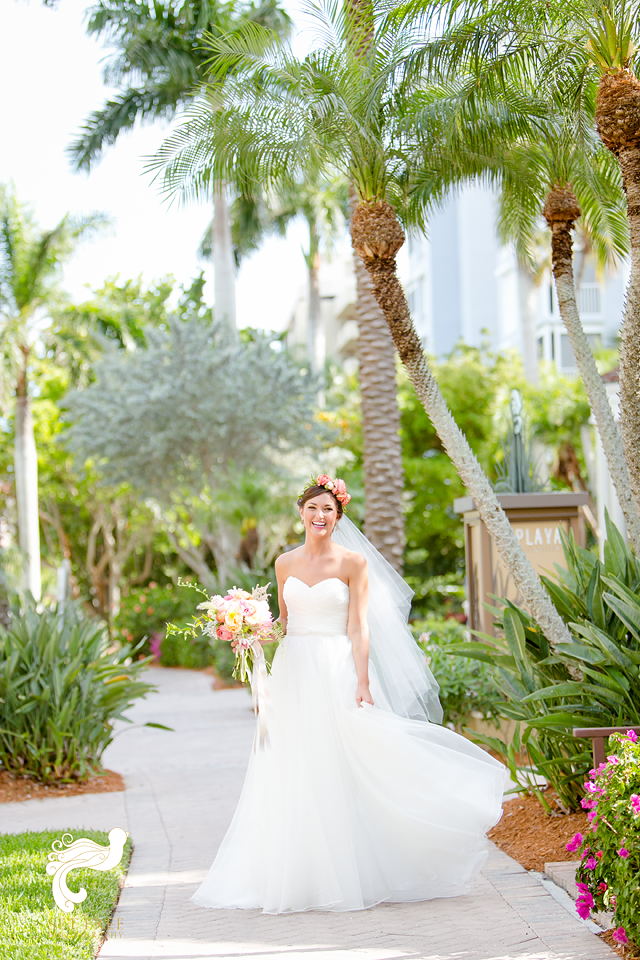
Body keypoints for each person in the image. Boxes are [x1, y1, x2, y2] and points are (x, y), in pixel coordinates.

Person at [191, 475, 507, 915]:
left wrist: (362, 680)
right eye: (312, 509)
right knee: (291, 763)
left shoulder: (353, 563)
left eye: (328, 510)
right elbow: (283, 623)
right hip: (293, 670)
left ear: (339, 517)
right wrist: (247, 630)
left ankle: (354, 868)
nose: (320, 516)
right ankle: (296, 873)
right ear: (300, 513)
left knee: (339, 759)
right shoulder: (284, 563)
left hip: (335, 666)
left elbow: (359, 626)